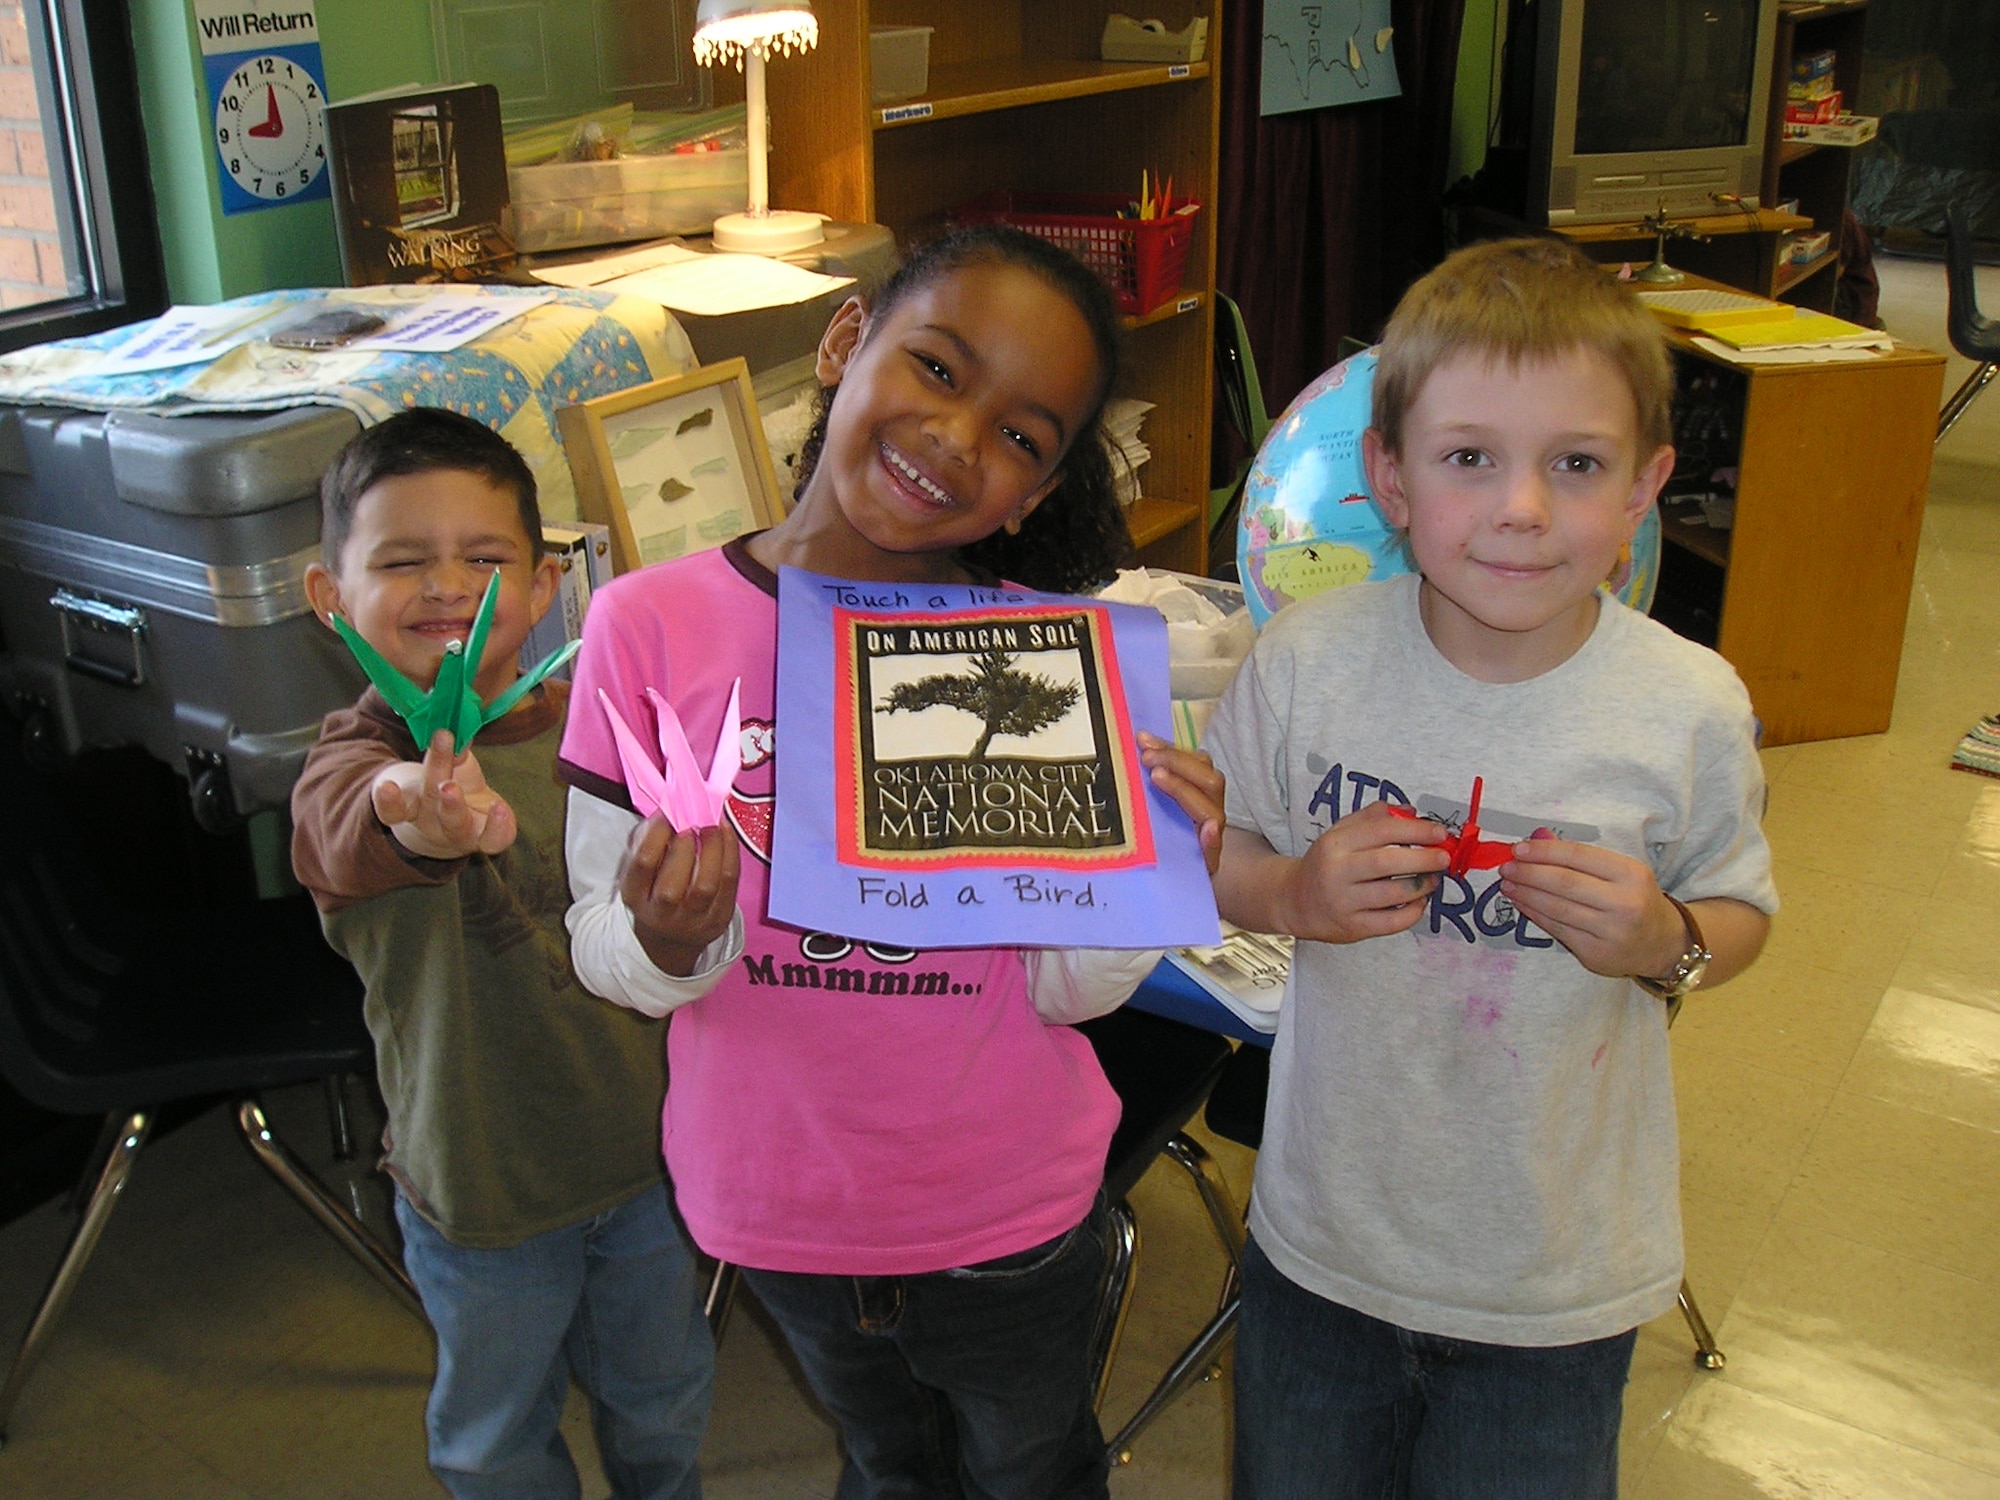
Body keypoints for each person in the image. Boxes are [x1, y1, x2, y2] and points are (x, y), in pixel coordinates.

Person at [558, 224, 1226, 1500]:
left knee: (1031, 1467)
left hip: (1008, 1208)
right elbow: (606, 947)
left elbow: (1067, 991)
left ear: (1034, 494)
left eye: (1023, 437)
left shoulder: (1036, 659)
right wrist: (661, 938)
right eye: (935, 367)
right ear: (844, 340)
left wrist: (1147, 879)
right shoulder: (643, 626)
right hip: (773, 1199)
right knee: (886, 1461)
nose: (959, 438)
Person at [1203, 236, 1778, 1499]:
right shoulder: (1305, 662)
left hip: (1556, 1282)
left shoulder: (1685, 703)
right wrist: (1290, 895)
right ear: (1389, 478)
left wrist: (1660, 939)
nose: (1521, 508)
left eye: (1574, 464)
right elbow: (1219, 857)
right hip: (1322, 1250)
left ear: (1644, 488)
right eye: (1470, 458)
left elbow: (1734, 917)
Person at [291, 408, 713, 1500]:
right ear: (329, 597)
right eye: (400, 560)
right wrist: (417, 813)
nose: (447, 587)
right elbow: (355, 822)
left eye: (484, 559)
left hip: (652, 1167)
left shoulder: (609, 738)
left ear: (540, 583)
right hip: (479, 1194)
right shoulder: (349, 764)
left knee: (662, 1400)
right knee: (491, 1436)